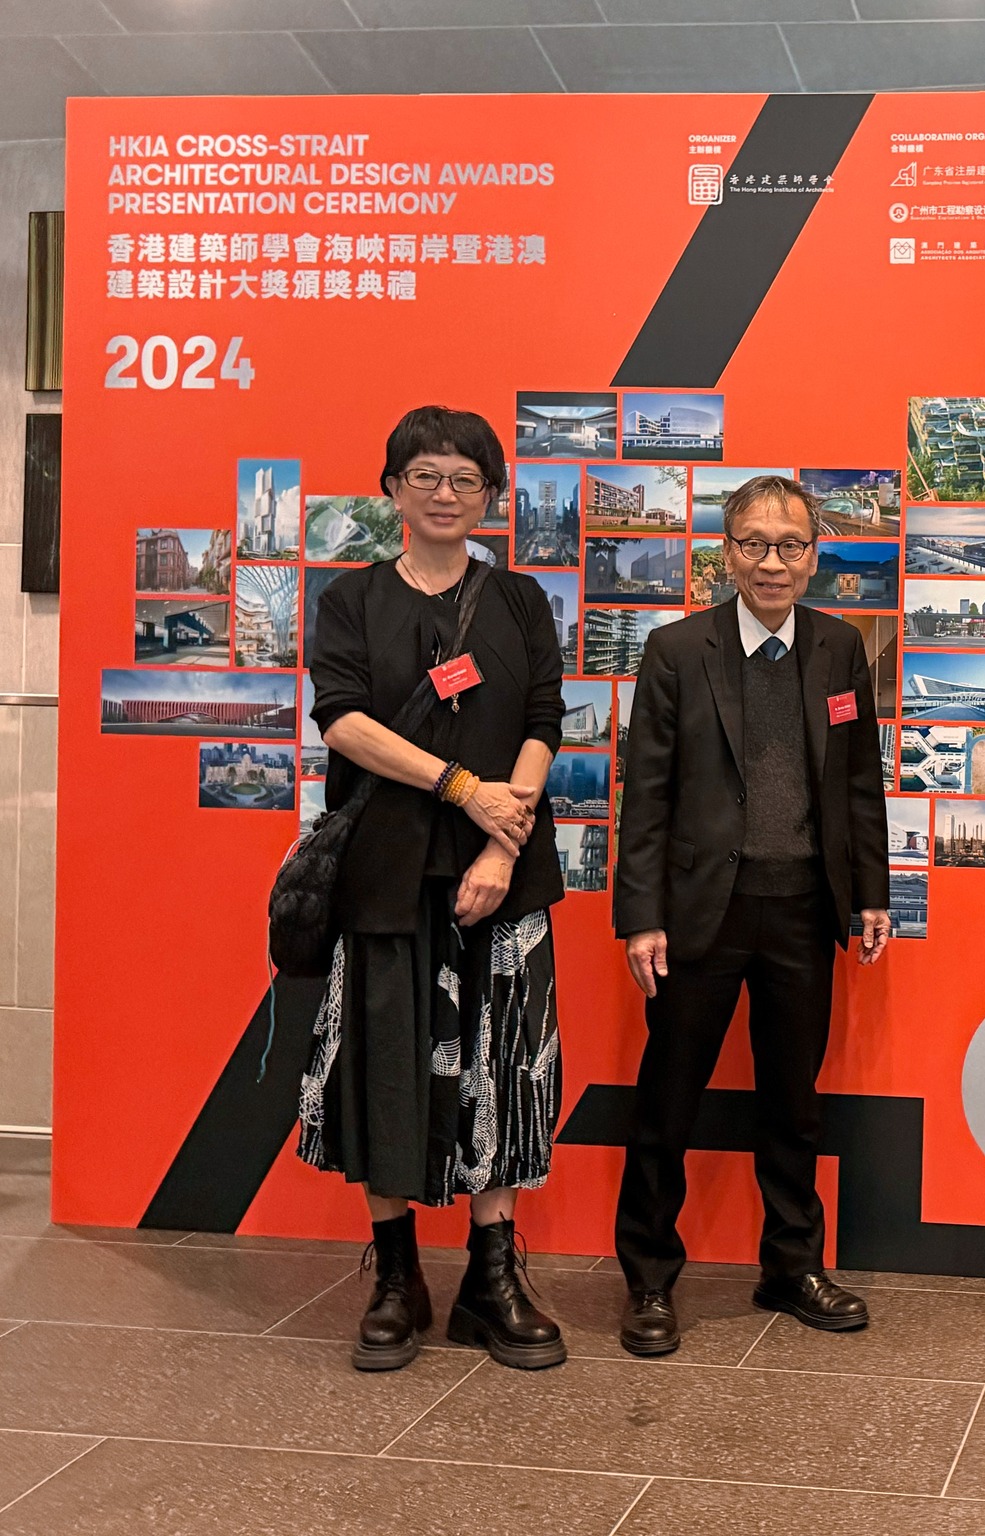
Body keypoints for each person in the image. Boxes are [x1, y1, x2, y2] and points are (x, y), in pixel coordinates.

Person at [299, 405, 569, 1372]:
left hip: (505, 870)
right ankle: (396, 1276)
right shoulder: (353, 599)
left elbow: (543, 719)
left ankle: (492, 1281)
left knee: (505, 1064)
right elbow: (343, 721)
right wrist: (461, 788)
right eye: (426, 476)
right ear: (392, 490)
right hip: (386, 872)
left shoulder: (520, 600)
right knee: (385, 1061)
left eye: (466, 479)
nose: (445, 494)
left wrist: (501, 842)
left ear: (491, 496)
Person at [612, 474, 891, 1354]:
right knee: (668, 1103)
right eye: (755, 544)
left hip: (803, 908)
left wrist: (872, 892)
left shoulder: (840, 648)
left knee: (794, 1104)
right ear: (726, 553)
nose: (773, 562)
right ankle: (649, 1279)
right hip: (700, 913)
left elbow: (859, 781)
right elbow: (645, 794)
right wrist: (640, 916)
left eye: (791, 545)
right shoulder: (676, 650)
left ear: (814, 556)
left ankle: (791, 1266)